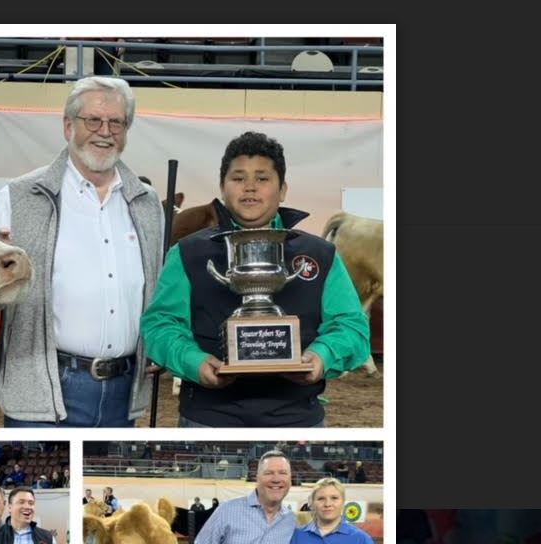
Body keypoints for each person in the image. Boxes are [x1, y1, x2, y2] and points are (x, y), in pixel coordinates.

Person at [140, 131, 371, 427]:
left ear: (283, 189)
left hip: (297, 418)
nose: (250, 187)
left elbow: (351, 326)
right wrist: (194, 362)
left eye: (262, 178)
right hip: (208, 419)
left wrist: (321, 357)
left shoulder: (320, 255)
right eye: (238, 178)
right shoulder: (187, 253)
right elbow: (160, 324)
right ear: (223, 187)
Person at [0, 75, 165, 428]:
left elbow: (155, 288)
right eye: (93, 120)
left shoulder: (146, 203)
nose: (105, 131)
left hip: (124, 393)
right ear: (68, 126)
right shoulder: (19, 198)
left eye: (117, 122)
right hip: (43, 391)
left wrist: (157, 344)